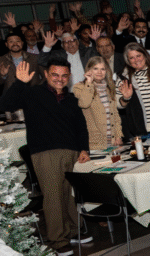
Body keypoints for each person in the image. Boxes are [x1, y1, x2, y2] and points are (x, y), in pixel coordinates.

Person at [0, 60, 89, 256]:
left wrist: (84, 149)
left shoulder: (72, 99)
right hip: (44, 152)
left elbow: (81, 127)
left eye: (64, 76)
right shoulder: (33, 94)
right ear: (47, 75)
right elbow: (5, 104)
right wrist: (20, 82)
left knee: (69, 194)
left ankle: (74, 231)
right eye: (55, 75)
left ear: (69, 77)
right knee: (53, 196)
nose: (60, 79)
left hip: (72, 152)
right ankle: (58, 241)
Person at [73, 56, 125, 150]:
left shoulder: (109, 88)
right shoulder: (79, 87)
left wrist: (118, 135)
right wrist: (89, 82)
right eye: (95, 68)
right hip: (95, 143)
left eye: (103, 69)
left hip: (113, 142)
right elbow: (84, 104)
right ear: (89, 70)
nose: (99, 72)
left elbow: (115, 115)